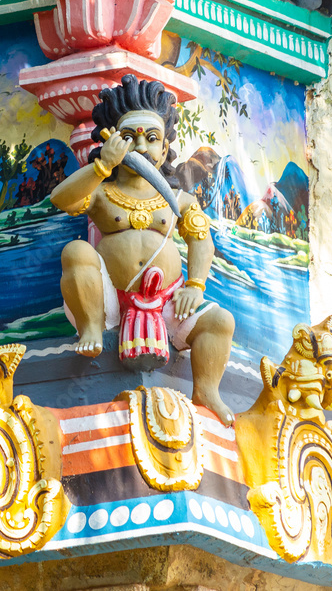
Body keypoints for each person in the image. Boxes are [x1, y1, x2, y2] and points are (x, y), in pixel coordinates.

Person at [51, 74, 235, 425]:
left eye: (151, 139)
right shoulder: (102, 192)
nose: (140, 147)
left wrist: (195, 286)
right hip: (109, 302)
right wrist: (102, 165)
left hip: (168, 303)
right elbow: (61, 199)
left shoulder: (178, 197)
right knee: (76, 251)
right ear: (112, 142)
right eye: (129, 138)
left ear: (165, 148)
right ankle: (90, 328)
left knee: (220, 321)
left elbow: (200, 239)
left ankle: (206, 389)